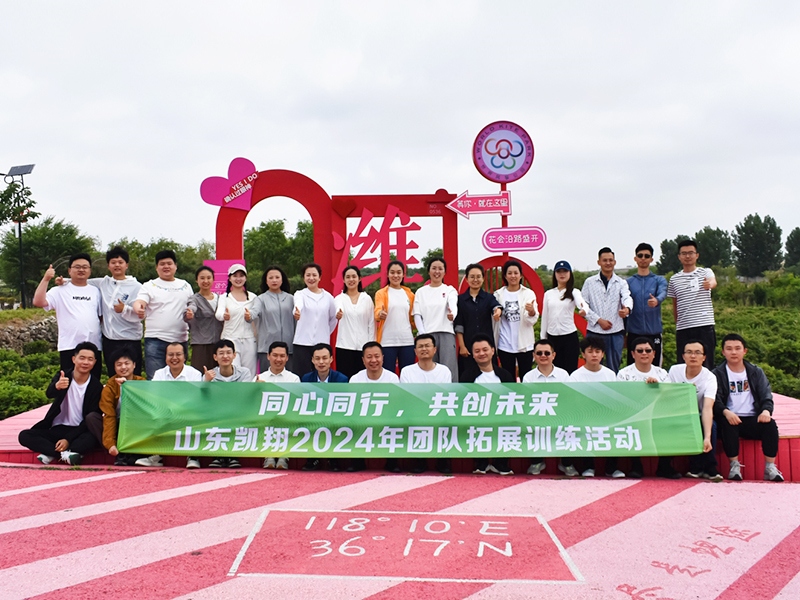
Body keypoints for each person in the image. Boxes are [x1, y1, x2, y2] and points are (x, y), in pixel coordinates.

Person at [18, 342, 103, 466]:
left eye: (90, 359)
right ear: (74, 359)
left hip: (80, 430)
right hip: (58, 428)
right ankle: (65, 454)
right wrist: (57, 386)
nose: (85, 362)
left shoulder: (96, 387)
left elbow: (90, 418)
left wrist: (67, 440)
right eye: (82, 358)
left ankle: (52, 452)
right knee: (24, 436)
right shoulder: (63, 376)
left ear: (95, 362)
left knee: (90, 440)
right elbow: (49, 393)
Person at [713, 334, 783, 482]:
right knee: (727, 424)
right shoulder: (717, 374)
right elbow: (715, 399)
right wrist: (726, 412)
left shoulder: (755, 372)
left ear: (745, 351)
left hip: (752, 417)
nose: (733, 352)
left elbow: (766, 394)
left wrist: (765, 410)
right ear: (723, 352)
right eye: (729, 349)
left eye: (737, 348)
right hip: (729, 416)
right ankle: (734, 466)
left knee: (770, 425)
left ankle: (770, 467)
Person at [616, 337, 680, 479]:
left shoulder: (662, 374)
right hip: (633, 413)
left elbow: (669, 397)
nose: (644, 353)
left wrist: (657, 388)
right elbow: (622, 398)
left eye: (648, 350)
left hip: (658, 413)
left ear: (654, 354)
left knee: (672, 423)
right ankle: (636, 466)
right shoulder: (623, 374)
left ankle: (665, 466)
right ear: (633, 354)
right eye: (639, 351)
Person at [33, 254, 102, 378]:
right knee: (69, 384)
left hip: (94, 346)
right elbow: (38, 302)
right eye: (77, 267)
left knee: (93, 386)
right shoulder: (59, 290)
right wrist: (46, 279)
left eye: (85, 267)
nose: (81, 270)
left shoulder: (96, 291)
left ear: (90, 270)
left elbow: (100, 317)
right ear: (69, 270)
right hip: (69, 345)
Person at [77, 246, 143, 377]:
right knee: (114, 377)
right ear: (108, 266)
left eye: (120, 262)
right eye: (113, 262)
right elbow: (80, 282)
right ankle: (115, 398)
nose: (117, 265)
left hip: (130, 339)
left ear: (126, 265)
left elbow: (140, 315)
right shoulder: (103, 283)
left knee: (133, 376)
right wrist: (63, 282)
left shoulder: (137, 287)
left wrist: (124, 309)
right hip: (110, 340)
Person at [460, 334, 515, 475]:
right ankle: (481, 463)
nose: (482, 353)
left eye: (485, 349)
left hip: (502, 417)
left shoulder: (505, 375)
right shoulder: (467, 376)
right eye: (477, 351)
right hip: (477, 419)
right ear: (472, 355)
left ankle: (501, 463)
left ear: (492, 351)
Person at [133, 250, 193, 379]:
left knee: (180, 379)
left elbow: (191, 306)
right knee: (155, 380)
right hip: (156, 340)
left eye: (169, 263)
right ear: (156, 268)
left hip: (180, 340)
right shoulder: (149, 285)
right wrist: (139, 308)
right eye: (162, 264)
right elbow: (139, 302)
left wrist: (190, 314)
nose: (166, 266)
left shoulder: (185, 285)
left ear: (175, 266)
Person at [668, 340, 720, 481]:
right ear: (683, 356)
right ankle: (669, 466)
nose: (693, 356)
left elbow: (708, 408)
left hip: (698, 414)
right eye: (689, 352)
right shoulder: (674, 371)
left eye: (697, 353)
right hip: (677, 413)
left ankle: (709, 468)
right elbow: (668, 398)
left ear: (704, 357)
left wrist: (707, 438)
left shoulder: (709, 378)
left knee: (711, 427)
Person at [400, 334, 453, 474]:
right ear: (415, 351)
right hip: (415, 412)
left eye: (427, 346)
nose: (424, 349)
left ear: (434, 349)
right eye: (420, 346)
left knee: (445, 420)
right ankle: (418, 460)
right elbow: (407, 398)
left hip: (438, 411)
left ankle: (443, 460)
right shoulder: (407, 371)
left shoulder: (444, 371)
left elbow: (445, 396)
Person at [87, 349, 148, 467]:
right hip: (117, 424)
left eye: (127, 363)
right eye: (119, 364)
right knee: (92, 418)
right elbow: (109, 415)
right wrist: (110, 444)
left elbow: (143, 410)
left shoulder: (142, 383)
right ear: (114, 368)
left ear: (134, 365)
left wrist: (127, 389)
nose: (123, 367)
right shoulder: (109, 387)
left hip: (135, 424)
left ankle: (133, 453)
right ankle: (117, 452)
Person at [522, 339, 571, 477]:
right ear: (534, 355)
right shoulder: (528, 377)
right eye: (539, 353)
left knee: (570, 426)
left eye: (547, 353)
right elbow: (526, 401)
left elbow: (568, 398)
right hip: (536, 415)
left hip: (561, 414)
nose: (543, 356)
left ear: (553, 355)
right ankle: (536, 461)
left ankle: (566, 463)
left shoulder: (564, 375)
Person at [151, 342, 204, 468]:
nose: (174, 358)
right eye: (170, 355)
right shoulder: (159, 374)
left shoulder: (194, 374)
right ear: (165, 357)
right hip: (165, 411)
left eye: (178, 354)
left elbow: (196, 398)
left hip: (188, 411)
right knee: (154, 415)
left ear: (185, 357)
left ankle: (193, 456)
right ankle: (156, 455)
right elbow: (154, 395)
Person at [350, 341, 400, 473]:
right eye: (369, 357)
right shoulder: (355, 379)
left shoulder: (392, 378)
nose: (373, 360)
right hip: (362, 417)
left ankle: (392, 462)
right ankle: (357, 461)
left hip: (387, 417)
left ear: (383, 357)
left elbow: (395, 404)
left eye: (377, 356)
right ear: (363, 360)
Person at [570, 338, 617, 477]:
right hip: (584, 416)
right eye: (590, 352)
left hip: (607, 416)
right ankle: (588, 467)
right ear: (583, 354)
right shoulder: (575, 376)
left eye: (598, 351)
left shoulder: (610, 374)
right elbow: (574, 401)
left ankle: (611, 468)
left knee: (617, 427)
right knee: (583, 427)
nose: (594, 355)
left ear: (603, 354)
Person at [667, 239, 717, 370]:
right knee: (684, 364)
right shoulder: (674, 279)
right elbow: (675, 303)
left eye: (691, 253)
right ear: (679, 256)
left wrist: (709, 284)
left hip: (704, 325)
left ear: (697, 255)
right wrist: (677, 323)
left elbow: (713, 282)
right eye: (684, 253)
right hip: (684, 328)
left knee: (707, 362)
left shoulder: (705, 272)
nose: (687, 256)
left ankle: (707, 390)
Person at [582, 247, 633, 373]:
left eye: (611, 260)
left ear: (615, 262)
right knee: (592, 365)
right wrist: (598, 320)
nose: (608, 263)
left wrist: (627, 308)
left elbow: (627, 296)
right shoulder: (589, 282)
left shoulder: (621, 282)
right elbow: (583, 305)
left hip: (615, 331)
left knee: (613, 366)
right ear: (599, 262)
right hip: (595, 330)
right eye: (605, 260)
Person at [202, 339, 252, 468]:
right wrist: (206, 382)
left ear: (234, 355)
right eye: (221, 353)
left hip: (239, 411)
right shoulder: (209, 375)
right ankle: (218, 456)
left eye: (229, 352)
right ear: (215, 357)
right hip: (216, 413)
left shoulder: (244, 373)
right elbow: (204, 398)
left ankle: (232, 455)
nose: (225, 356)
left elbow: (244, 395)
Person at [300, 343, 348, 472]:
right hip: (312, 416)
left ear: (331, 359)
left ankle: (333, 459)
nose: (321, 362)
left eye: (325, 358)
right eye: (317, 358)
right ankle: (311, 459)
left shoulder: (342, 379)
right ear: (312, 360)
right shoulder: (306, 379)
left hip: (334, 416)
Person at [255, 341, 300, 471]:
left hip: (287, 417)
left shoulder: (294, 379)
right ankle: (268, 455)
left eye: (282, 356)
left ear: (287, 358)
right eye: (275, 355)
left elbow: (295, 402)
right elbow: (253, 403)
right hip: (265, 418)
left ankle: (283, 456)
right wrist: (257, 390)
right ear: (268, 356)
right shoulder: (259, 378)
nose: (278, 359)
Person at [413, 256, 459, 381]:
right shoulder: (421, 292)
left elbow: (453, 304)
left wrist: (452, 314)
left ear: (444, 272)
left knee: (448, 369)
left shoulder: (449, 290)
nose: (437, 272)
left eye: (440, 269)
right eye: (434, 268)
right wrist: (423, 335)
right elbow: (417, 314)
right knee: (429, 369)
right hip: (427, 335)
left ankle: (451, 396)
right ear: (429, 271)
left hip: (446, 334)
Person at [540, 260, 589, 373]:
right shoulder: (549, 294)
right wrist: (543, 339)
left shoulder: (574, 292)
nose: (562, 274)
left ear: (570, 274)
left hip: (569, 337)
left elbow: (582, 303)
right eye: (559, 271)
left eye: (565, 271)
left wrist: (583, 310)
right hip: (552, 337)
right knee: (553, 370)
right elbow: (545, 318)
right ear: (555, 274)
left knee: (570, 370)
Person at [494, 259, 539, 380]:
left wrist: (531, 311)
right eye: (509, 273)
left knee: (526, 377)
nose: (513, 276)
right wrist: (496, 312)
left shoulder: (528, 293)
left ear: (521, 275)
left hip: (525, 343)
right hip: (505, 343)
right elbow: (494, 313)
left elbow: (532, 320)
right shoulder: (498, 294)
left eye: (516, 273)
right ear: (505, 276)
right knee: (508, 378)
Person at [454, 263, 502, 374]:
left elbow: (496, 306)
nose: (475, 279)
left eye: (478, 276)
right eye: (472, 277)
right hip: (468, 347)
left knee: (490, 375)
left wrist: (498, 311)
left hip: (486, 346)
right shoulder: (460, 300)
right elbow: (459, 325)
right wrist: (462, 346)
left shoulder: (489, 297)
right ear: (466, 279)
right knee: (468, 377)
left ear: (483, 278)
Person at [292, 263, 337, 378]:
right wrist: (296, 312)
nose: (311, 278)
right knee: (302, 376)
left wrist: (325, 332)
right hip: (302, 343)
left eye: (314, 275)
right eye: (308, 275)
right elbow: (298, 305)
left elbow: (333, 319)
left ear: (320, 277)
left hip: (322, 344)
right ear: (304, 277)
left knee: (321, 375)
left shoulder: (328, 297)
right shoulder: (300, 294)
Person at [626, 243, 667, 367]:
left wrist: (657, 300)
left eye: (647, 256)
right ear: (635, 258)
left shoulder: (659, 280)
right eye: (640, 255)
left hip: (653, 332)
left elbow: (663, 292)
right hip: (634, 332)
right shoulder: (628, 282)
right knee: (632, 367)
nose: (643, 258)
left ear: (651, 259)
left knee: (655, 368)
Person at [250, 266, 295, 373]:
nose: (274, 280)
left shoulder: (291, 298)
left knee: (288, 379)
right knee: (267, 379)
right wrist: (249, 316)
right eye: (270, 278)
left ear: (282, 279)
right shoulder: (260, 299)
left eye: (277, 277)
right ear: (266, 280)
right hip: (267, 347)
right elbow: (253, 312)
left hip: (289, 347)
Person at [215, 263, 257, 377]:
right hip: (230, 339)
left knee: (249, 372)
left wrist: (251, 316)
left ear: (246, 278)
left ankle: (249, 394)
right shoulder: (225, 297)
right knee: (234, 371)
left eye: (241, 276)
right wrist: (224, 316)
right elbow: (218, 314)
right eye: (235, 276)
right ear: (229, 278)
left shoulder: (253, 297)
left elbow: (257, 316)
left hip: (249, 339)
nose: (238, 279)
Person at [374, 260, 416, 374]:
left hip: (407, 341)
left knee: (408, 375)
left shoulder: (410, 294)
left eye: (399, 272)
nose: (395, 275)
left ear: (403, 274)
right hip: (387, 341)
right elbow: (378, 310)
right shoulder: (381, 293)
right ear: (387, 274)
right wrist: (379, 314)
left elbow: (414, 317)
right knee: (387, 375)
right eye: (392, 272)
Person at [334, 266, 376, 378]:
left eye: (354, 276)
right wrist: (338, 313)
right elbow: (338, 308)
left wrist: (371, 345)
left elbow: (371, 323)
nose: (351, 279)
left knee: (363, 380)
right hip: (344, 347)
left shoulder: (366, 299)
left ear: (359, 278)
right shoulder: (340, 298)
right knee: (345, 380)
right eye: (347, 277)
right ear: (343, 280)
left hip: (363, 347)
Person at [185, 266, 222, 372]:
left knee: (219, 376)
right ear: (197, 280)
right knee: (200, 376)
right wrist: (190, 312)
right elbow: (192, 307)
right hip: (201, 345)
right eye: (202, 278)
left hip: (219, 344)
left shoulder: (220, 298)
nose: (205, 281)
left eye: (209, 278)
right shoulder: (194, 299)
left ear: (213, 280)